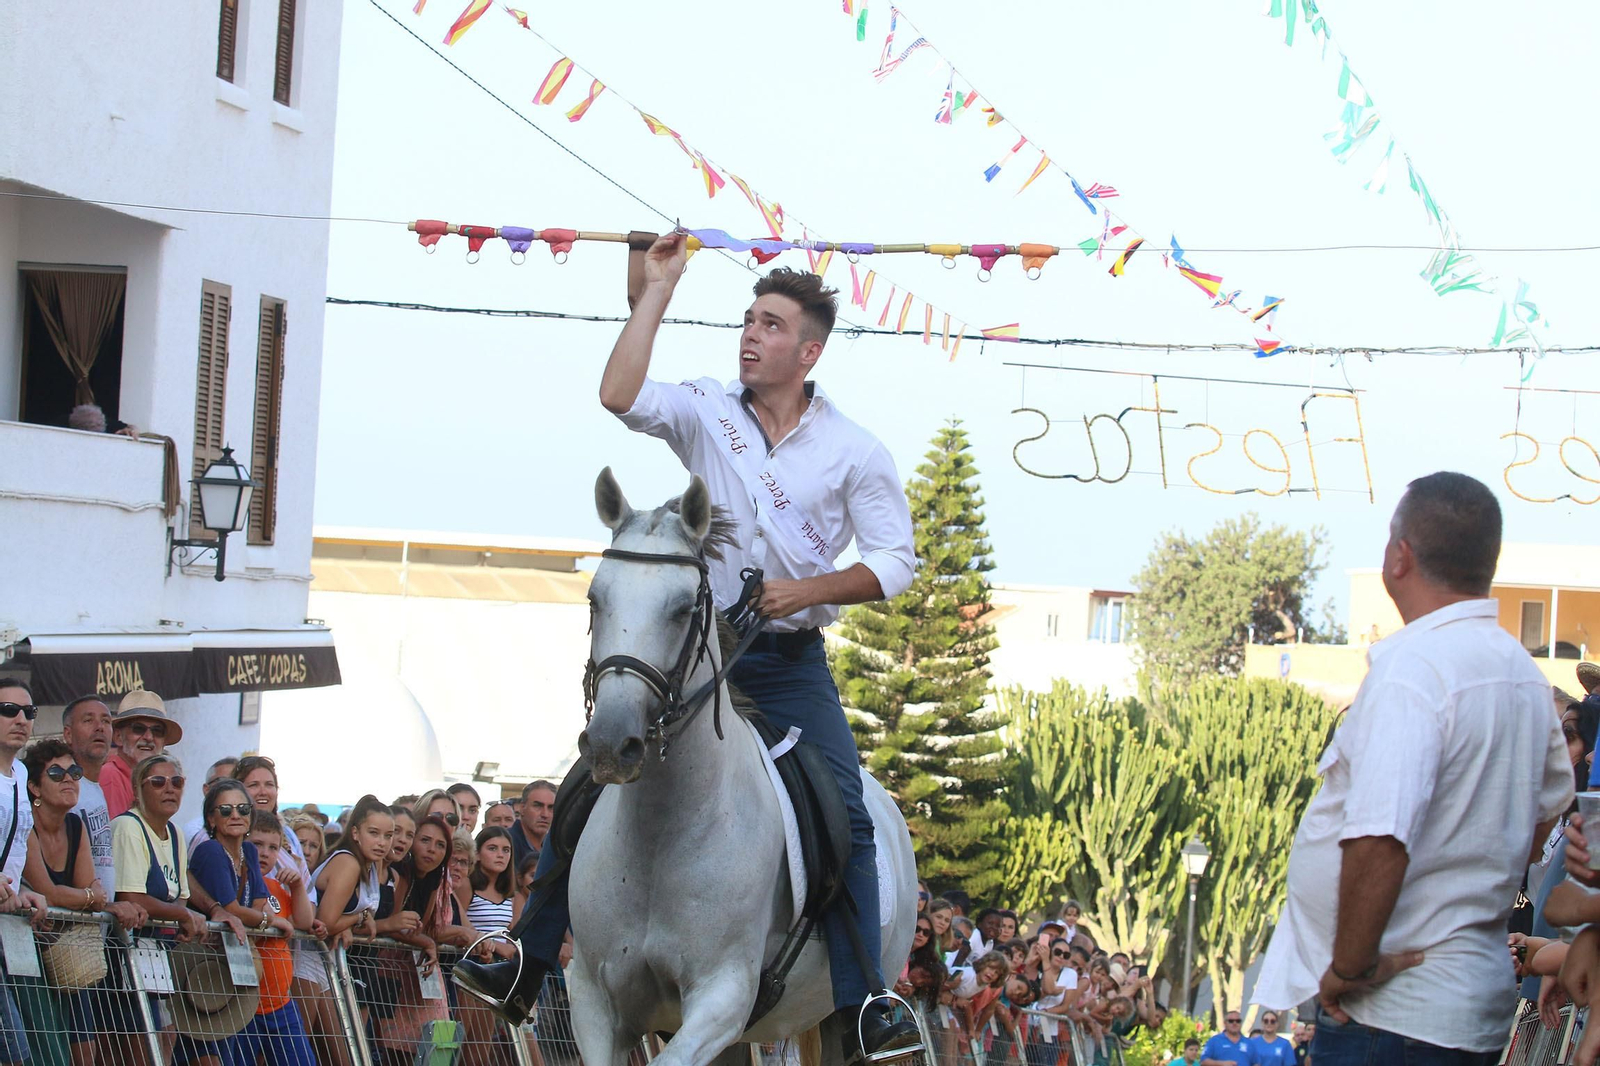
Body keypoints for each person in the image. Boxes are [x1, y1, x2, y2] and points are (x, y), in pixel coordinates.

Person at [454, 250, 920, 1060]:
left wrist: (804, 591)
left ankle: (866, 999)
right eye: (747, 320)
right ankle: (527, 959)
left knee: (849, 813)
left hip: (786, 660)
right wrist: (658, 292)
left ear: (809, 352)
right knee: (587, 779)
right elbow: (619, 395)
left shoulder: (856, 450)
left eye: (770, 326)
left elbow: (895, 563)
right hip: (693, 650)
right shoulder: (709, 409)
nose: (750, 336)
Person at [1254, 472, 1573, 1064]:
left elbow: (1380, 838)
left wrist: (1349, 967)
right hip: (1455, 1001)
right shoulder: (1524, 676)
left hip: (1391, 1016)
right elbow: (1539, 823)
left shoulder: (1414, 670)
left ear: (1399, 557)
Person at [188, 779, 296, 1066]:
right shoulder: (210, 851)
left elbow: (258, 901)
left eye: (242, 808)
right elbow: (232, 908)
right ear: (211, 818)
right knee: (210, 1053)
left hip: (235, 967)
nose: (235, 815)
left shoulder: (248, 851)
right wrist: (272, 921)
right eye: (225, 809)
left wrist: (260, 917)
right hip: (207, 966)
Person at [20, 738, 105, 1066]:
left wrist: (88, 897)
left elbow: (93, 899)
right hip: (27, 955)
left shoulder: (75, 825)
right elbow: (52, 894)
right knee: (46, 1050)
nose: (70, 779)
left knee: (84, 1052)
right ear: (34, 788)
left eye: (74, 771)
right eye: (56, 773)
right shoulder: (25, 823)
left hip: (67, 954)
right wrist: (88, 896)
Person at [234, 810, 320, 1066]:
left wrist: (296, 887)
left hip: (281, 1003)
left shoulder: (276, 887)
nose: (264, 853)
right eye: (257, 844)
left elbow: (303, 922)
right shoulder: (239, 883)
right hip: (245, 1005)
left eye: (273, 847)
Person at [60, 695, 147, 931]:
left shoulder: (96, 788)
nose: (99, 727)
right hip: (69, 928)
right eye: (88, 721)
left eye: (106, 721)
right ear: (68, 734)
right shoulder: (65, 788)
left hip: (99, 926)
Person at [99, 691, 181, 819]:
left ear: (164, 742)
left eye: (157, 731)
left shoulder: (156, 780)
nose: (148, 737)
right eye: (138, 729)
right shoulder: (111, 776)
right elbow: (117, 834)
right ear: (118, 737)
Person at [182, 756, 241, 858]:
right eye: (224, 782)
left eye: (238, 782)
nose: (232, 789)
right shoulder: (195, 832)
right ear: (206, 789)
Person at [507, 779, 553, 868]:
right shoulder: (506, 843)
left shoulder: (555, 848)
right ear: (522, 808)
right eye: (537, 806)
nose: (545, 814)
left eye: (551, 807)